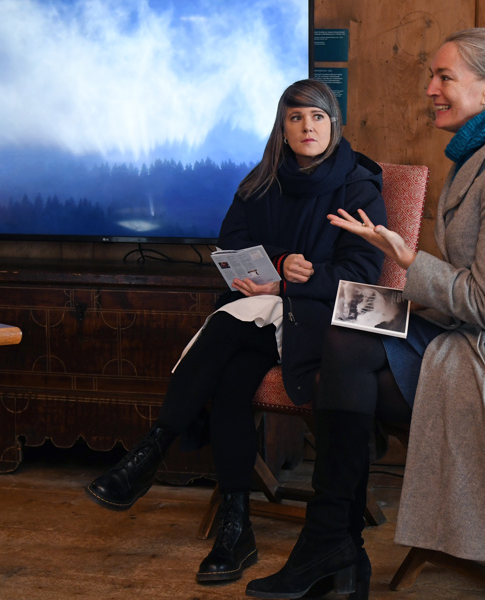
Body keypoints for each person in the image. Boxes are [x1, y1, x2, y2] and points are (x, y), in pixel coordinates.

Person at [245, 28, 485, 600]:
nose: (430, 89)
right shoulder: (484, 154)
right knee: (351, 313)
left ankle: (331, 542)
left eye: (445, 77)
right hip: (477, 329)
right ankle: (333, 541)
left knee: (345, 355)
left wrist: (407, 257)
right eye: (431, 76)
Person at [85, 79, 387, 584]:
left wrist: (293, 279)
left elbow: (364, 273)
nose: (307, 127)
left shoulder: (357, 185)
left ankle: (154, 451)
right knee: (230, 383)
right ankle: (236, 527)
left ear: (333, 125)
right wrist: (275, 266)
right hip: (258, 313)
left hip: (321, 320)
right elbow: (230, 247)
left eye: (317, 117)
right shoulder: (261, 181)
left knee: (227, 329)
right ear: (282, 128)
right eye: (296, 118)